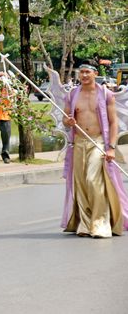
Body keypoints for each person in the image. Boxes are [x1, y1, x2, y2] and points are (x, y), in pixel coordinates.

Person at [61, 63, 128, 238]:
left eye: (87, 72)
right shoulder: (72, 95)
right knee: (81, 183)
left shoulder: (106, 94)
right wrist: (68, 121)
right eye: (81, 72)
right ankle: (85, 224)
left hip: (98, 141)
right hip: (78, 142)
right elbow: (65, 118)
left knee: (93, 179)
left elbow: (113, 123)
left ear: (95, 73)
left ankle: (100, 223)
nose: (83, 75)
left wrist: (111, 147)